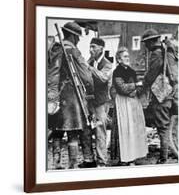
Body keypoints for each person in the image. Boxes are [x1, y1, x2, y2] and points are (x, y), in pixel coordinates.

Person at [48, 21, 94, 168]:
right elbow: (86, 76)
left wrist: (52, 97)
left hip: (57, 96)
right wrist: (90, 88)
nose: (79, 40)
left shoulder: (56, 48)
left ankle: (56, 164)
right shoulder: (73, 50)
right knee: (73, 131)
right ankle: (72, 164)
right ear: (73, 36)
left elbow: (52, 74)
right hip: (72, 97)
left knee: (57, 131)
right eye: (78, 37)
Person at [138, 29, 177, 164]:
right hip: (171, 94)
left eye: (146, 43)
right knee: (167, 128)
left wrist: (141, 88)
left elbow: (150, 76)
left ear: (151, 42)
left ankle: (163, 158)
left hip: (161, 97)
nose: (145, 46)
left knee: (162, 128)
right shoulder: (166, 51)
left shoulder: (156, 54)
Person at [110, 47, 148, 166]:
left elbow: (140, 86)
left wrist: (136, 91)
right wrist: (135, 86)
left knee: (134, 129)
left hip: (133, 102)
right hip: (123, 103)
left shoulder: (131, 71)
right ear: (119, 60)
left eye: (128, 56)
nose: (127, 58)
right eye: (125, 57)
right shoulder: (117, 72)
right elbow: (122, 88)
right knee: (124, 129)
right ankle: (125, 157)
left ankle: (134, 155)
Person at [78, 38, 113, 168]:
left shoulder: (107, 64)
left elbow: (103, 78)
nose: (90, 50)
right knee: (86, 131)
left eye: (93, 47)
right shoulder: (90, 61)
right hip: (89, 102)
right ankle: (89, 160)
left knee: (100, 132)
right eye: (90, 47)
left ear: (101, 48)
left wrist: (88, 67)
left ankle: (102, 162)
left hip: (101, 104)